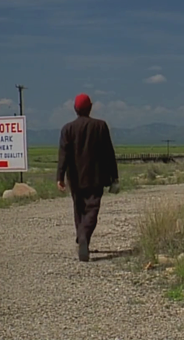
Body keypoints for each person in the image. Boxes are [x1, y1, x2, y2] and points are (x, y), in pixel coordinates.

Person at [56, 93, 119, 262]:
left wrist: (60, 176)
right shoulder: (100, 126)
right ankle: (84, 237)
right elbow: (109, 153)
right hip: (96, 177)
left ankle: (81, 237)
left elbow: (63, 154)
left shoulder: (67, 129)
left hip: (75, 178)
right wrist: (114, 176)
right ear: (90, 107)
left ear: (75, 109)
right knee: (92, 209)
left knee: (79, 208)